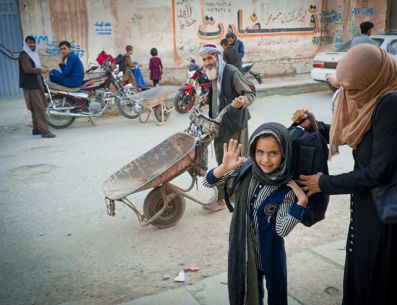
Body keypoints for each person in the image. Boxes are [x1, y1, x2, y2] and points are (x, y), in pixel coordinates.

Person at [296, 44, 397, 305]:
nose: (347, 95)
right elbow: (355, 133)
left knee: (373, 277)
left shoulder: (390, 104)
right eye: (344, 87)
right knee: (360, 270)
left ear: (373, 80)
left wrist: (324, 184)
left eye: (353, 89)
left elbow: (376, 172)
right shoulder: (374, 99)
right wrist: (315, 125)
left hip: (382, 215)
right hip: (367, 206)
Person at [203, 127, 308, 305]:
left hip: (271, 253)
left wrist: (301, 204)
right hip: (246, 250)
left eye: (273, 153)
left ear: (284, 154)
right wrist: (223, 168)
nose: (265, 159)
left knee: (277, 292)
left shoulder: (286, 188)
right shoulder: (246, 167)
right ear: (253, 151)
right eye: (260, 152)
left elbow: (281, 229)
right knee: (251, 290)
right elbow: (207, 182)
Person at [199, 43, 255, 211]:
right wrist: (206, 99)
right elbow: (218, 94)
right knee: (221, 159)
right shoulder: (213, 74)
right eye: (204, 59)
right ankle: (227, 194)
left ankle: (227, 198)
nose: (207, 62)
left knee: (236, 161)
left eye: (210, 57)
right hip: (219, 124)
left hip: (235, 124)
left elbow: (250, 93)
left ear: (217, 57)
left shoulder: (231, 72)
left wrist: (242, 101)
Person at [19, 36, 56, 138]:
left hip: (36, 83)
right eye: (29, 43)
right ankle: (45, 131)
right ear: (25, 44)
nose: (31, 44)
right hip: (31, 85)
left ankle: (36, 129)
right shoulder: (24, 55)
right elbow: (28, 69)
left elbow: (36, 66)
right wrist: (41, 70)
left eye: (33, 43)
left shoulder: (33, 54)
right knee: (39, 107)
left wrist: (43, 68)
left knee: (35, 107)